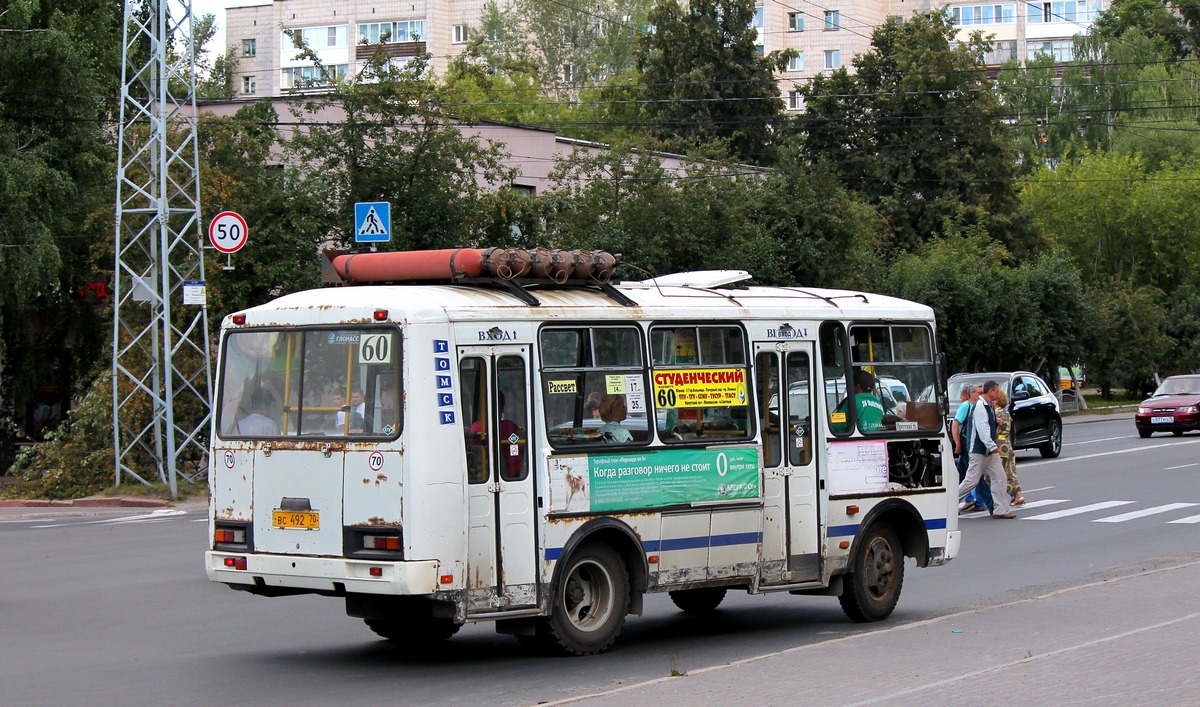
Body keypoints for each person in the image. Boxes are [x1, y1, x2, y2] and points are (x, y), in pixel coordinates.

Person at [957, 380, 1016, 518]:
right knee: (971, 481)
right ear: (991, 391)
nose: (998, 393)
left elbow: (988, 425)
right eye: (996, 390)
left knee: (999, 477)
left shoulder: (989, 405)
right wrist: (992, 446)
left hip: (988, 451)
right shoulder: (980, 406)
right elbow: (982, 429)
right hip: (979, 451)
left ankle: (1001, 509)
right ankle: (948, 503)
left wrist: (996, 422)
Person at [995, 390, 1026, 506]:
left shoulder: (996, 413)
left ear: (996, 400)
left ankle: (1012, 496)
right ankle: (1019, 495)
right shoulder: (1006, 413)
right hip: (1007, 444)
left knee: (1001, 474)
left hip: (998, 444)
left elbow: (995, 430)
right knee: (1011, 472)